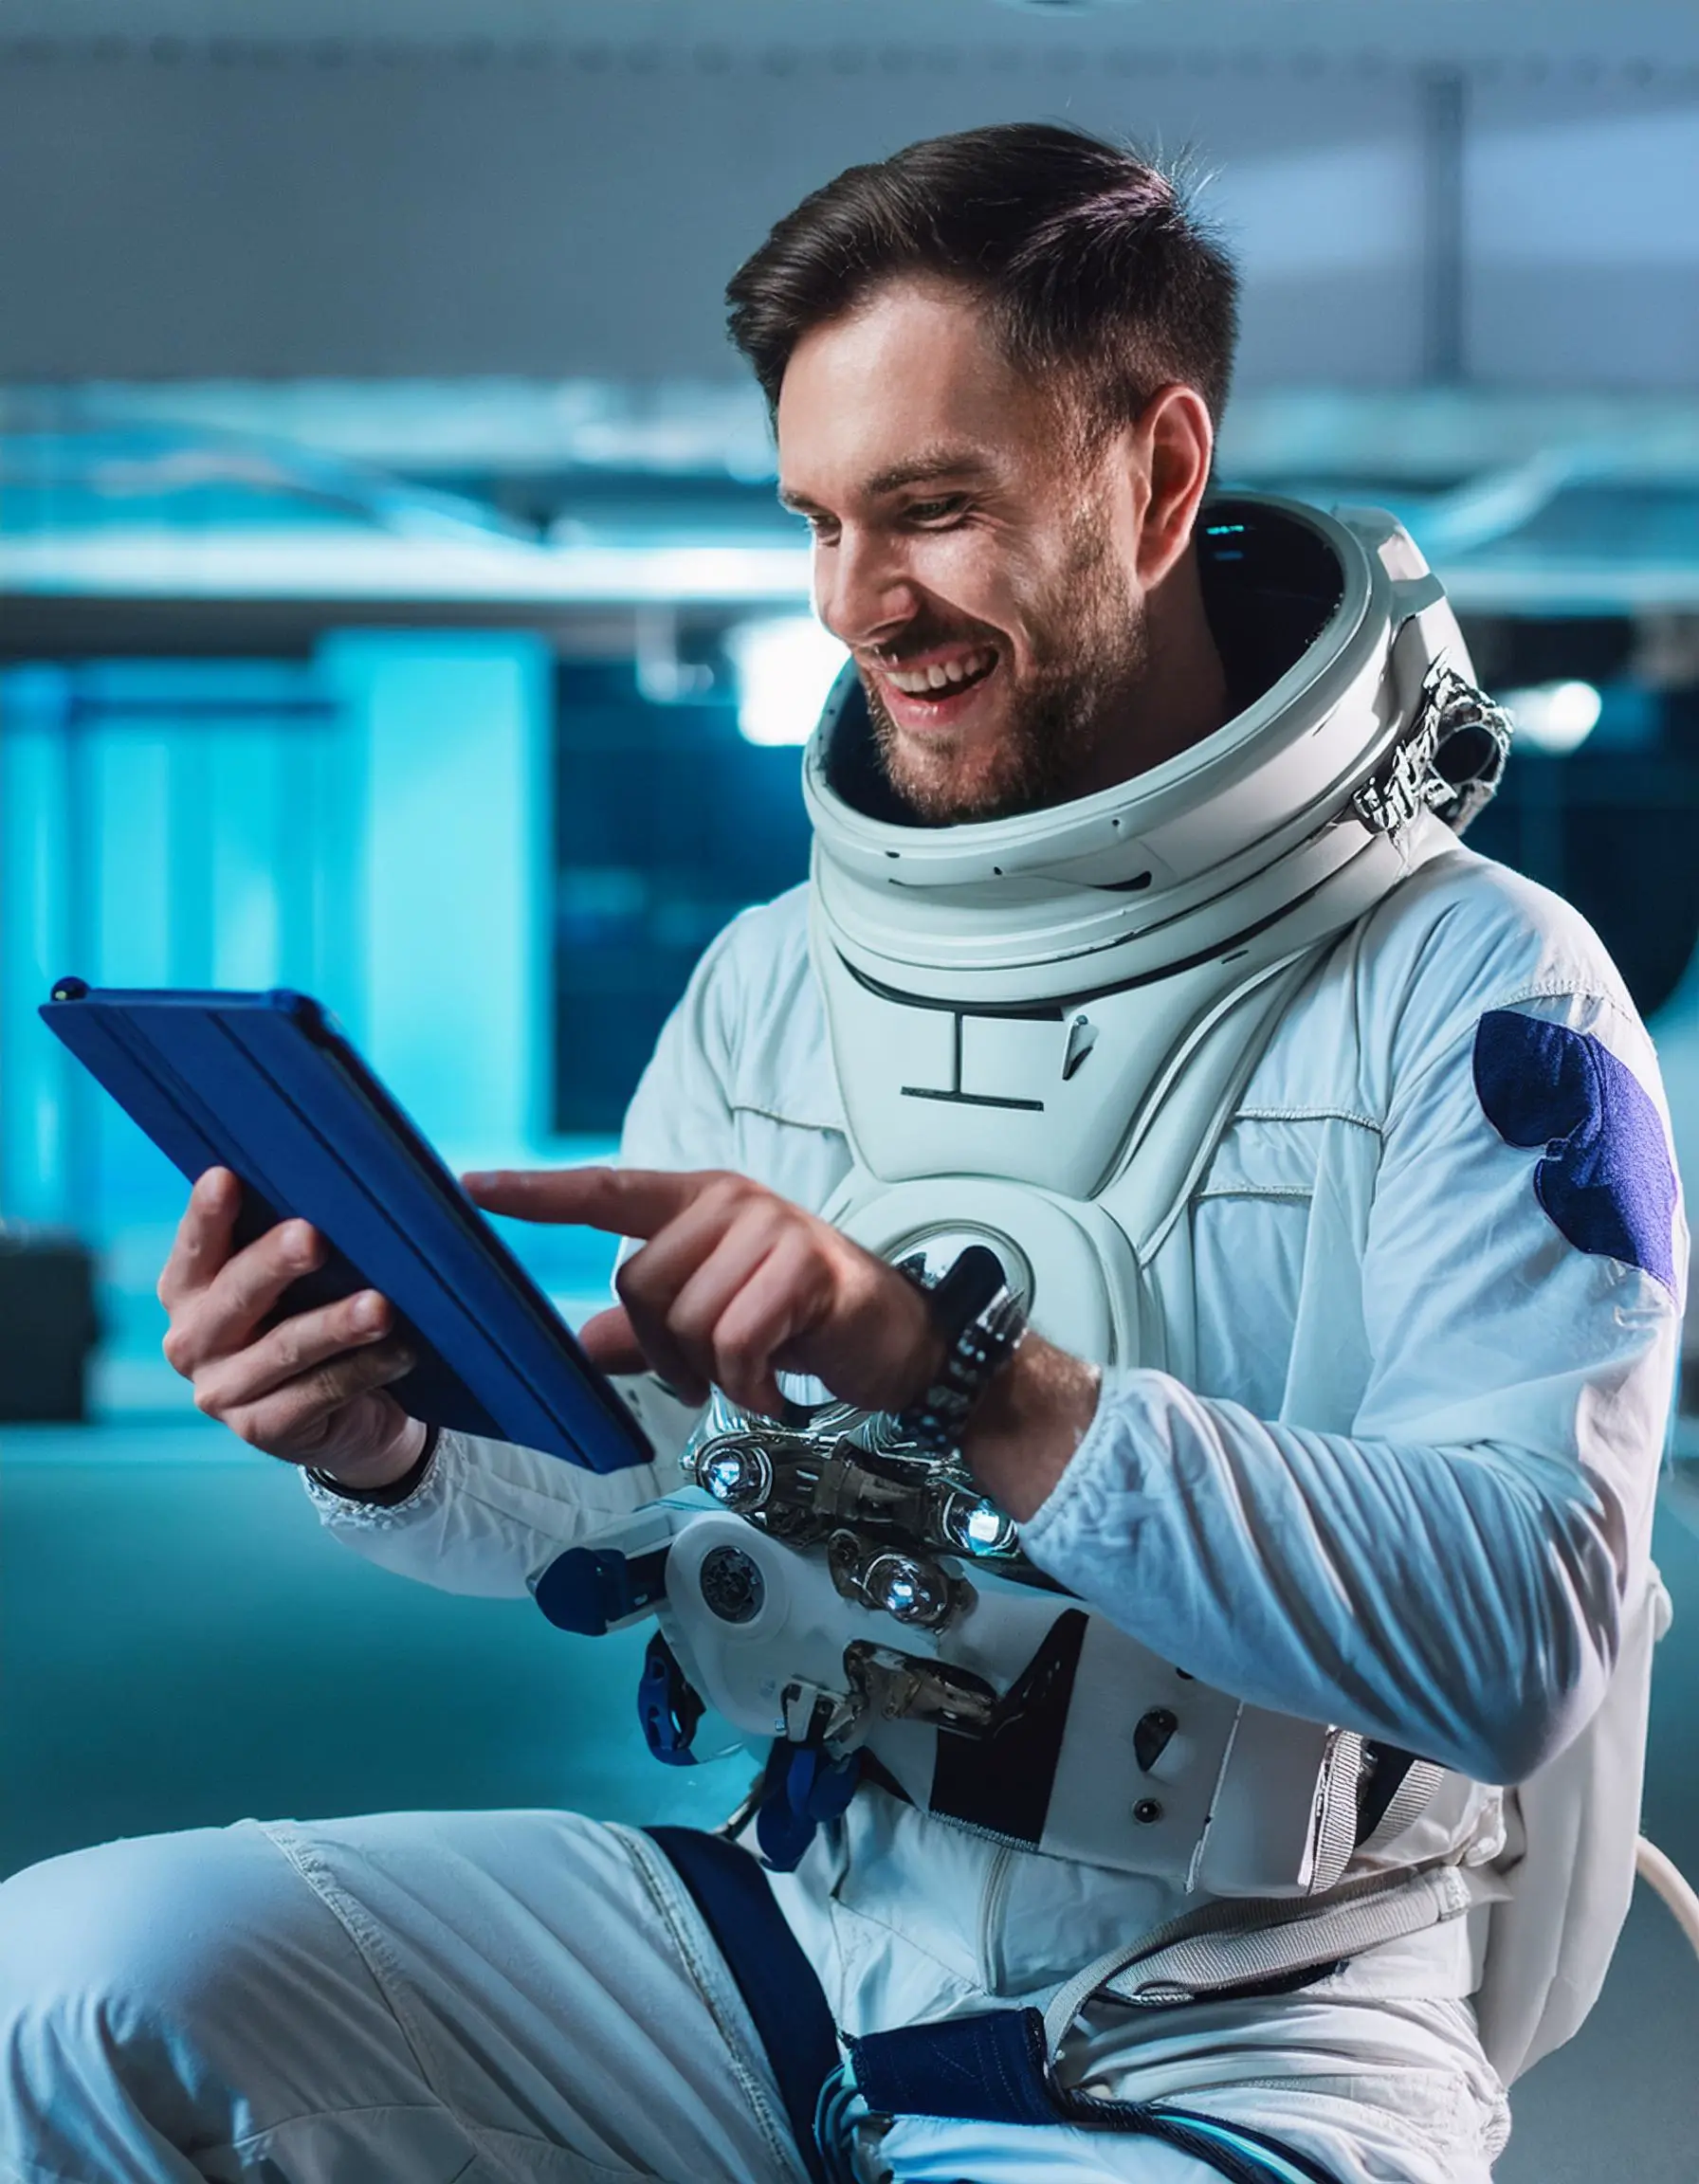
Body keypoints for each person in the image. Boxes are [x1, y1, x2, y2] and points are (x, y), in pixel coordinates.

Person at [0, 123, 1684, 2184]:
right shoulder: (777, 976)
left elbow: (1511, 1643)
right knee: (74, 1982)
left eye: (929, 512)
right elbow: (624, 1511)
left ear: (1157, 478)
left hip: (1242, 2020)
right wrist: (388, 1447)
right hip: (793, 1929)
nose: (855, 605)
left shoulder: (1474, 987)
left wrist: (958, 1371)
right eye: (813, 523)